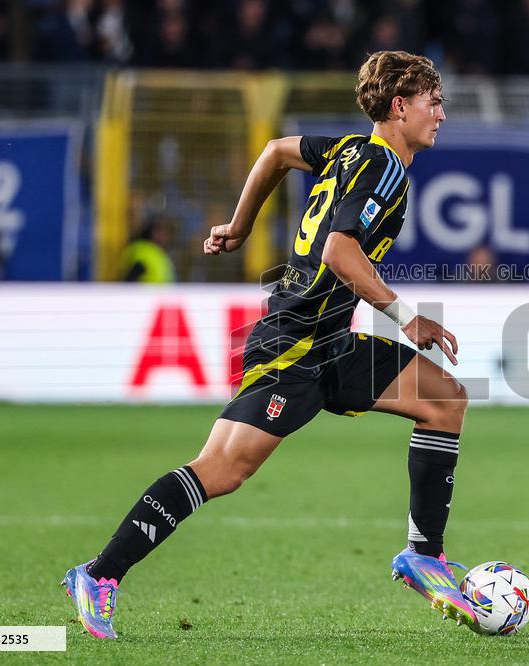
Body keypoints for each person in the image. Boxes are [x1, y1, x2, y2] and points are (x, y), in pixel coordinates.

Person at [62, 50, 475, 639]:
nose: (441, 113)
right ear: (400, 106)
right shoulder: (383, 167)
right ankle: (99, 575)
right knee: (221, 471)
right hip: (294, 345)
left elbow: (277, 151)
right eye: (434, 102)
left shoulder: (348, 151)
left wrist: (240, 225)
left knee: (445, 400)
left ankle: (423, 556)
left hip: (332, 338)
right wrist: (406, 318)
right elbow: (339, 250)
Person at [120, 217, 177, 283]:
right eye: (159, 232)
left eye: (166, 233)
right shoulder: (142, 250)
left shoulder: (159, 253)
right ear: (150, 232)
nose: (163, 236)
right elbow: (129, 280)